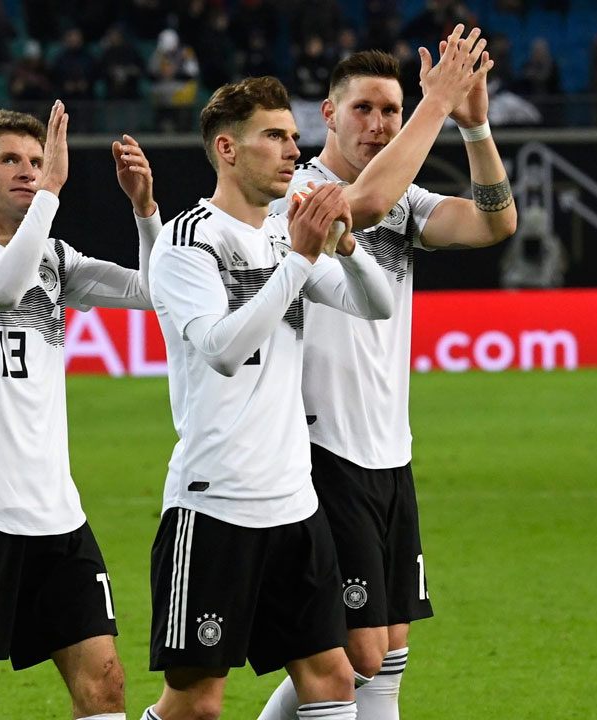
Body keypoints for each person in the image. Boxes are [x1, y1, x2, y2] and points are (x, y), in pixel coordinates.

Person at [259, 30, 517, 720]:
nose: (379, 124)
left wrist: (476, 125)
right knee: (358, 652)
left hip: (387, 448)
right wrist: (436, 104)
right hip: (320, 448)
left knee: (389, 646)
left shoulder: (405, 200)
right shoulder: (301, 191)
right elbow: (359, 207)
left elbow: (495, 224)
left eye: (391, 111)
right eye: (365, 109)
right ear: (329, 115)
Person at [0, 101, 163, 720]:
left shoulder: (54, 257)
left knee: (106, 686)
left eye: (38, 161)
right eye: (10, 160)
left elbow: (153, 290)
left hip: (57, 514)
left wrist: (144, 210)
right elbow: (0, 289)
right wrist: (52, 195)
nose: (29, 171)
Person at [141, 76, 395, 720]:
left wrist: (345, 246)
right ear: (226, 148)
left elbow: (376, 304)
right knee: (196, 702)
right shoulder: (186, 241)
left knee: (333, 677)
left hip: (294, 503)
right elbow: (223, 350)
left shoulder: (288, 235)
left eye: (292, 136)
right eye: (274, 137)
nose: (292, 149)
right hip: (215, 504)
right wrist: (302, 262)